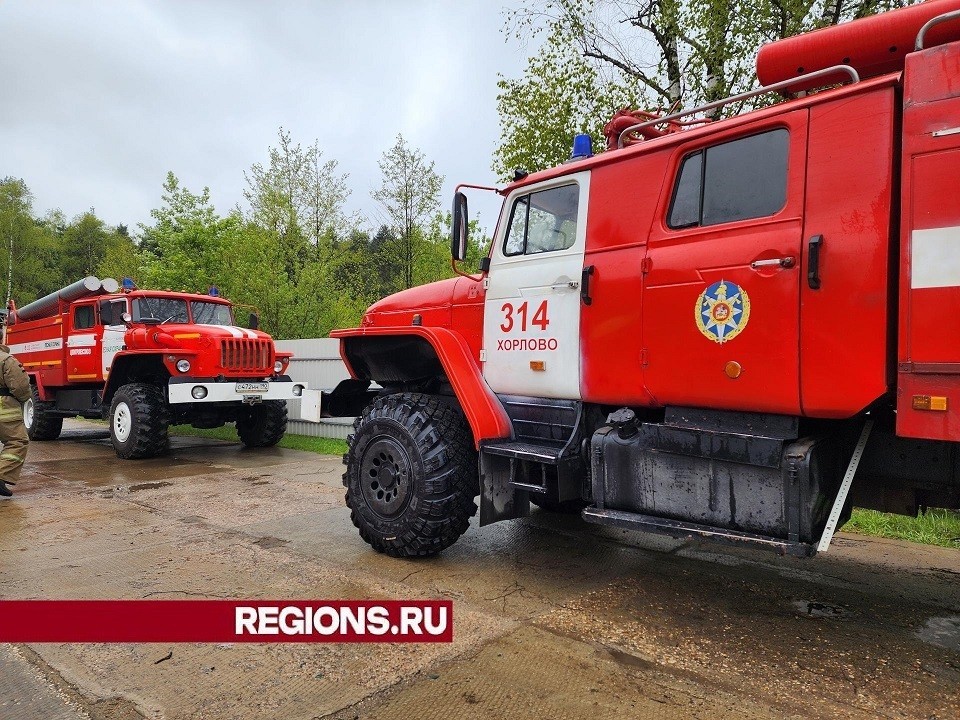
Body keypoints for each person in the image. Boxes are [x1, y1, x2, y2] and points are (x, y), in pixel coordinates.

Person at [0, 343, 31, 498]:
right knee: (17, 441)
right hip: (4, 411)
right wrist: (23, 399)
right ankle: (1, 475)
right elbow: (21, 387)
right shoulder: (6, 360)